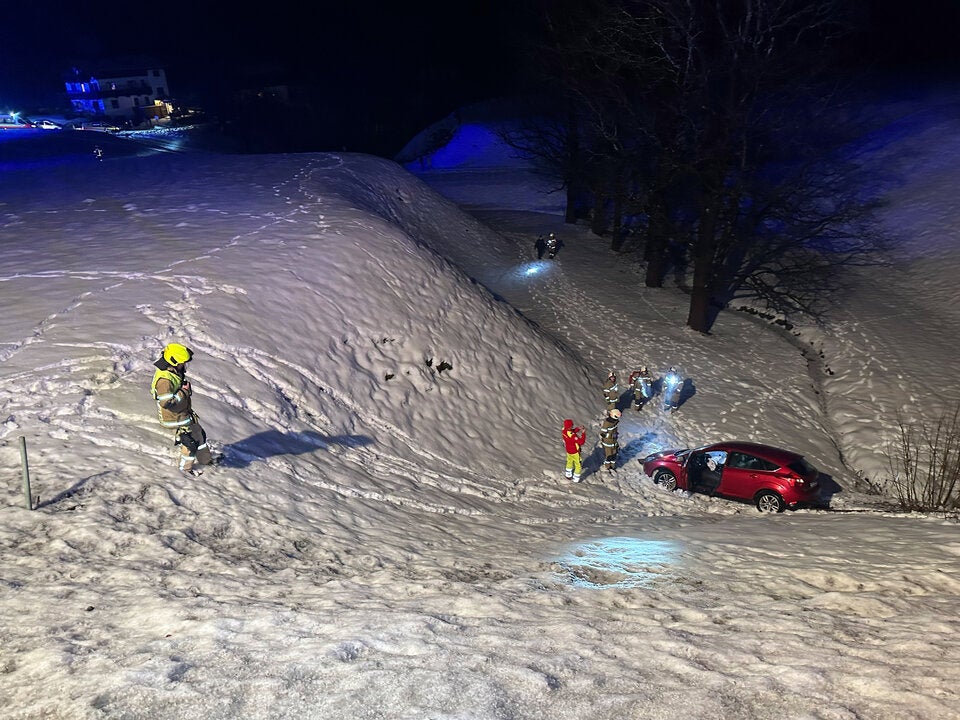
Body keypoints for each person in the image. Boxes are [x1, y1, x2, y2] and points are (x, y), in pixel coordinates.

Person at [151, 342, 220, 476]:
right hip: (174, 418)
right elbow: (166, 402)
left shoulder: (173, 371)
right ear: (173, 361)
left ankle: (206, 461)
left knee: (199, 435)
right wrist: (183, 391)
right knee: (190, 443)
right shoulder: (165, 380)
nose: (184, 366)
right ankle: (185, 471)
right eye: (182, 363)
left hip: (183, 413)